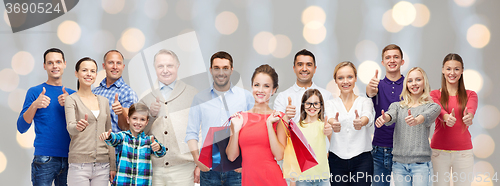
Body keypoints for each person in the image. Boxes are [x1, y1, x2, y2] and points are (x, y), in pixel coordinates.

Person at [185, 51, 253, 185]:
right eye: (216, 68)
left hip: (237, 169)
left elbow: (253, 132)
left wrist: (247, 161)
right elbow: (191, 133)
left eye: (225, 68)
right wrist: (197, 159)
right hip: (209, 170)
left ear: (231, 70)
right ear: (210, 70)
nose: (221, 73)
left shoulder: (246, 97)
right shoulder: (199, 98)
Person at [138, 49, 199, 186]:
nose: (165, 70)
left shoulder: (193, 94)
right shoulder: (146, 97)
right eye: (160, 66)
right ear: (155, 68)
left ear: (177, 66)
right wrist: (151, 116)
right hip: (154, 169)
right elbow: (138, 133)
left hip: (184, 168)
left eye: (169, 66)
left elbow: (201, 130)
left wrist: (199, 163)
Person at [17, 48, 75, 186]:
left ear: (65, 64)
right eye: (50, 63)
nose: (55, 66)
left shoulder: (73, 95)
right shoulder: (35, 92)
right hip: (44, 158)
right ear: (44, 66)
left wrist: (71, 103)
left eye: (58, 62)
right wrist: (35, 105)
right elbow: (21, 127)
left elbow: (83, 127)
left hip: (71, 158)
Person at [375, 67, 440, 186]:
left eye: (418, 79)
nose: (414, 83)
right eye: (410, 81)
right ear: (406, 85)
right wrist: (385, 118)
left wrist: (417, 120)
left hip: (421, 165)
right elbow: (391, 114)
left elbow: (426, 116)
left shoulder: (432, 106)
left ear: (424, 82)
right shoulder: (397, 106)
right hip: (399, 165)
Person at [226, 64, 288, 186]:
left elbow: (280, 155)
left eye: (266, 86)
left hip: (272, 181)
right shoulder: (239, 118)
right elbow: (232, 156)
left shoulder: (278, 117)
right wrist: (236, 130)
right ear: (252, 86)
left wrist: (269, 125)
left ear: (274, 90)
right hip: (248, 181)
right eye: (257, 85)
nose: (260, 90)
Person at [64, 57, 116, 185]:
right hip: (79, 165)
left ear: (96, 75)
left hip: (103, 166)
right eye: (84, 70)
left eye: (92, 71)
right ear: (76, 73)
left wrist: (113, 165)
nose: (89, 74)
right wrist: (78, 126)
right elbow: (70, 127)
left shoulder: (104, 101)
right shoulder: (71, 99)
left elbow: (110, 134)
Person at [430, 53, 477, 186]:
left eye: (456, 69)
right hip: (439, 153)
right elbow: (437, 109)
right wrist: (445, 117)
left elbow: (471, 108)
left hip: (463, 154)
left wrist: (469, 117)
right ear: (443, 70)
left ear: (462, 71)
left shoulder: (471, 94)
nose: (452, 73)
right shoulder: (434, 94)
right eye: (448, 69)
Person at [325, 61, 374, 186]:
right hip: (336, 159)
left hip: (362, 159)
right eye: (340, 78)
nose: (345, 81)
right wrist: (332, 123)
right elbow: (330, 117)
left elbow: (367, 116)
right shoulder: (330, 104)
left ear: (355, 78)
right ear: (335, 81)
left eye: (349, 77)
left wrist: (361, 122)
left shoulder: (365, 101)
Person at [366, 44, 406, 186]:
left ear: (402, 61)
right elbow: (370, 93)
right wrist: (370, 89)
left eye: (396, 57)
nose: (392, 60)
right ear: (383, 63)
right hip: (379, 150)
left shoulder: (410, 85)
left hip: (405, 149)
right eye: (388, 57)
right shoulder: (377, 85)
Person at [99, 103, 167, 186]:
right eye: (134, 118)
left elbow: (162, 152)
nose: (138, 122)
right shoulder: (123, 137)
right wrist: (108, 136)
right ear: (128, 119)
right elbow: (114, 139)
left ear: (147, 122)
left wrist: (158, 148)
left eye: (142, 119)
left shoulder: (149, 140)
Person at [274, 49, 333, 124]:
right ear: (294, 69)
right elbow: (277, 129)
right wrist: (286, 117)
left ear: (314, 69)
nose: (304, 69)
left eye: (309, 65)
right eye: (300, 64)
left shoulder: (326, 96)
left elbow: (330, 127)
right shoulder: (282, 97)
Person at [292, 89, 332, 186]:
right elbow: (293, 155)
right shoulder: (296, 127)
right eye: (308, 103)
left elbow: (334, 145)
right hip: (302, 178)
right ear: (303, 105)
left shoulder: (323, 125)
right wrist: (293, 181)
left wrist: (329, 132)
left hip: (322, 177)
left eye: (316, 103)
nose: (312, 107)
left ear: (321, 106)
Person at [93, 50, 138, 133]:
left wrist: (121, 112)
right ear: (104, 65)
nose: (115, 67)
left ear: (123, 67)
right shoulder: (94, 92)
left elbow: (128, 127)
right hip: (94, 144)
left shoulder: (128, 93)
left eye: (118, 63)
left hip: (114, 145)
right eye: (111, 63)